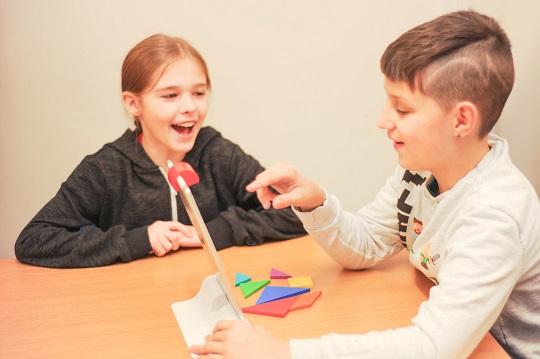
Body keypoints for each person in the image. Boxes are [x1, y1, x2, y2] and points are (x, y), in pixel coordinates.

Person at [191, 10, 540, 359]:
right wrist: (316, 204)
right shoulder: (424, 169)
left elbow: (433, 348)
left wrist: (283, 353)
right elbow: (369, 243)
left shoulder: (493, 216)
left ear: (461, 120)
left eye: (402, 110)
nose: (382, 120)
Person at [15, 34, 305, 268]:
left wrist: (211, 233)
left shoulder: (218, 154)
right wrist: (139, 240)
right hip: (135, 313)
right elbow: (34, 240)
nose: (190, 106)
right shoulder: (105, 170)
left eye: (199, 93)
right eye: (170, 96)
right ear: (133, 104)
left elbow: (295, 214)